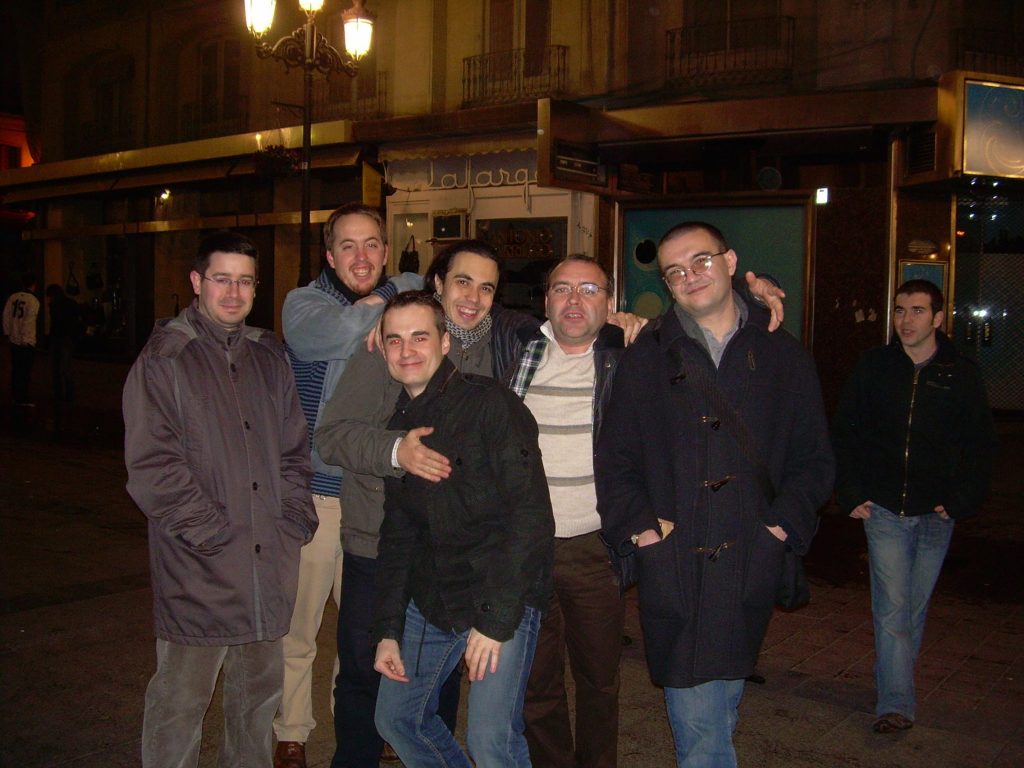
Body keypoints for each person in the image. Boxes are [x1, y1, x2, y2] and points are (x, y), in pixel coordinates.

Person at [595, 222, 833, 767]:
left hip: (752, 551)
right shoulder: (646, 356)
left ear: (730, 262)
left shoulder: (783, 355)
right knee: (703, 724)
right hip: (675, 558)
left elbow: (814, 458)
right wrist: (644, 532)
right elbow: (616, 459)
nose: (689, 276)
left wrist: (779, 527)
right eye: (674, 271)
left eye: (700, 261)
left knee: (721, 704)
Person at [123, 230, 319, 767]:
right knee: (180, 704)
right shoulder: (167, 358)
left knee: (256, 704)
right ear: (196, 282)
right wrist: (211, 534)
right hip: (199, 568)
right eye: (221, 279)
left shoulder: (267, 356)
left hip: (267, 566)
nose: (233, 293)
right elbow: (153, 466)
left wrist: (293, 520)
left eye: (244, 281)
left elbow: (295, 450)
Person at [371, 290, 555, 767]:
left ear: (445, 342)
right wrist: (388, 629)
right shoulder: (400, 425)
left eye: (419, 337)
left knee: (491, 740)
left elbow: (531, 516)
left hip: (500, 589)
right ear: (383, 348)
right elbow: (398, 536)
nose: (406, 350)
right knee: (398, 719)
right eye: (395, 340)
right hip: (434, 595)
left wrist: (494, 623)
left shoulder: (491, 404)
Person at [278, 203, 421, 768]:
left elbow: (416, 287)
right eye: (347, 246)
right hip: (315, 492)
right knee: (299, 626)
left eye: (371, 245)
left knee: (361, 631)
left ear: (385, 251)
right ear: (329, 254)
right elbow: (330, 337)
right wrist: (386, 304)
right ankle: (291, 729)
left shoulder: (401, 289)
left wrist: (386, 298)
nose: (361, 257)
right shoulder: (302, 303)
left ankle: (358, 727)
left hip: (372, 493)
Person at [833, 279, 996, 735]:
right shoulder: (875, 367)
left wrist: (961, 499)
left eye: (918, 311)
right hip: (884, 508)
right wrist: (851, 491)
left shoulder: (959, 373)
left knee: (911, 610)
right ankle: (896, 703)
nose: (906, 320)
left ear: (938, 318)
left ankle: (892, 680)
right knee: (892, 607)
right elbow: (846, 431)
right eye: (900, 310)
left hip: (936, 512)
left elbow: (980, 445)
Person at [508, 255, 626, 768]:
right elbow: (454, 316)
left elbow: (702, 321)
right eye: (562, 289)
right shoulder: (516, 352)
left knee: (599, 678)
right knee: (535, 681)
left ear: (610, 303)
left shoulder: (628, 359)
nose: (574, 300)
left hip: (594, 547)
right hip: (526, 547)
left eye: (589, 289)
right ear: (546, 300)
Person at [3, 275, 39, 406]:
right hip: (26, 341)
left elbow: (6, 316)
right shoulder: (33, 300)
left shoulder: (13, 297)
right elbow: (28, 321)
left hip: (14, 339)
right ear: (34, 285)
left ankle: (15, 395)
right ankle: (22, 397)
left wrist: (8, 333)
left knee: (16, 369)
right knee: (25, 371)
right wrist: (26, 339)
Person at [45, 284, 79, 403]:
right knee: (64, 367)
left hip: (61, 337)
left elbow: (55, 324)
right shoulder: (69, 304)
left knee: (59, 367)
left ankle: (60, 393)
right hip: (65, 338)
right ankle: (68, 394)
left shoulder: (57, 306)